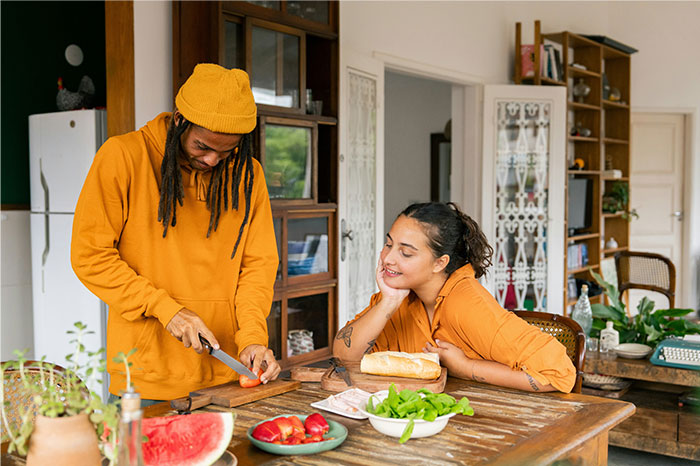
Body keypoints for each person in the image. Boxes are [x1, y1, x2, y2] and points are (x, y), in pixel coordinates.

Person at [71, 64, 281, 403]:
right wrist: (166, 309)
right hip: (145, 380)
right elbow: (90, 257)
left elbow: (256, 268)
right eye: (202, 146)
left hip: (227, 379)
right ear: (179, 118)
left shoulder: (248, 175)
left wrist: (253, 338)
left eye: (226, 152)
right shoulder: (123, 157)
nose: (212, 160)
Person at [333, 202, 576, 393]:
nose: (388, 259)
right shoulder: (398, 299)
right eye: (388, 244)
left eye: (405, 253)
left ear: (440, 263)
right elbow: (343, 357)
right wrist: (388, 302)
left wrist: (466, 367)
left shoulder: (467, 304)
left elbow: (559, 373)